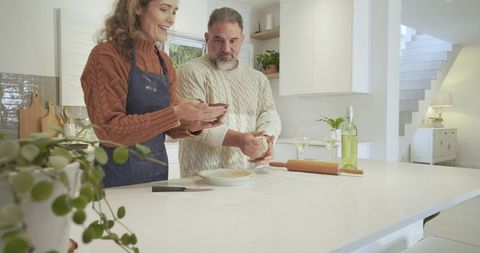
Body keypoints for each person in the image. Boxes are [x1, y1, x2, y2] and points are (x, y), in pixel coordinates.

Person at [81, 0, 226, 187]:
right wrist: (176, 113)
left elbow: (169, 127)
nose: (171, 19)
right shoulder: (106, 56)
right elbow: (108, 131)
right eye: (164, 9)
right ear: (138, 7)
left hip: (157, 179)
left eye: (174, 11)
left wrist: (196, 124)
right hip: (116, 183)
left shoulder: (164, 61)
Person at [177, 7, 281, 177]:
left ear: (242, 40)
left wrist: (267, 139)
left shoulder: (258, 78)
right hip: (201, 179)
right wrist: (240, 140)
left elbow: (269, 114)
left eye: (233, 40)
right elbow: (195, 124)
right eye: (218, 40)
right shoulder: (191, 71)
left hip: (247, 176)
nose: (226, 48)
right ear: (206, 38)